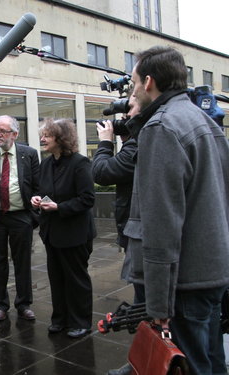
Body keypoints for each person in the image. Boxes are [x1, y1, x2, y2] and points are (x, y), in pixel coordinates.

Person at [125, 46, 229, 375]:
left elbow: (161, 227)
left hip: (185, 283)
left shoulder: (161, 128)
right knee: (212, 359)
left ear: (150, 82)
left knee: (195, 366)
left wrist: (158, 305)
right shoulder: (204, 120)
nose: (132, 90)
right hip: (212, 274)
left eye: (134, 82)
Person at [31, 118, 96, 338]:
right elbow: (44, 189)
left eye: (46, 135)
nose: (42, 139)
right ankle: (60, 319)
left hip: (74, 233)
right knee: (56, 278)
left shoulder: (80, 163)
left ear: (61, 138)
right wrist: (38, 199)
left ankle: (81, 322)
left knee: (76, 279)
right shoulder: (47, 163)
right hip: (52, 232)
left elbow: (87, 199)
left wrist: (59, 206)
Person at [0, 115, 40, 321]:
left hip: (21, 216)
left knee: (22, 262)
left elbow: (38, 186)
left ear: (15, 134)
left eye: (3, 131)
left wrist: (33, 215)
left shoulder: (29, 154)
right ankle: (1, 305)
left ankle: (24, 304)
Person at [92, 96, 145, 305]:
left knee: (145, 300)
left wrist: (105, 141)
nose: (127, 119)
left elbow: (102, 173)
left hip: (141, 233)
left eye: (130, 112)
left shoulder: (142, 140)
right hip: (137, 228)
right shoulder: (137, 140)